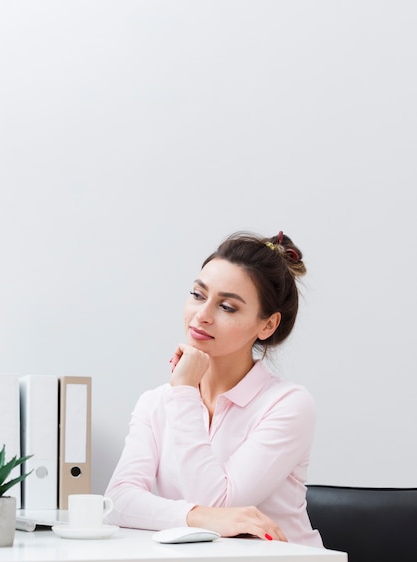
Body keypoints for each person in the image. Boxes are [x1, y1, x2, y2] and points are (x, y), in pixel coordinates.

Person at [105, 231, 323, 547]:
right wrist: (198, 517)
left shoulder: (288, 404)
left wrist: (184, 391)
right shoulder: (155, 403)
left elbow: (218, 502)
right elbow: (117, 502)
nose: (202, 315)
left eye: (227, 307)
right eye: (197, 294)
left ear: (267, 325)